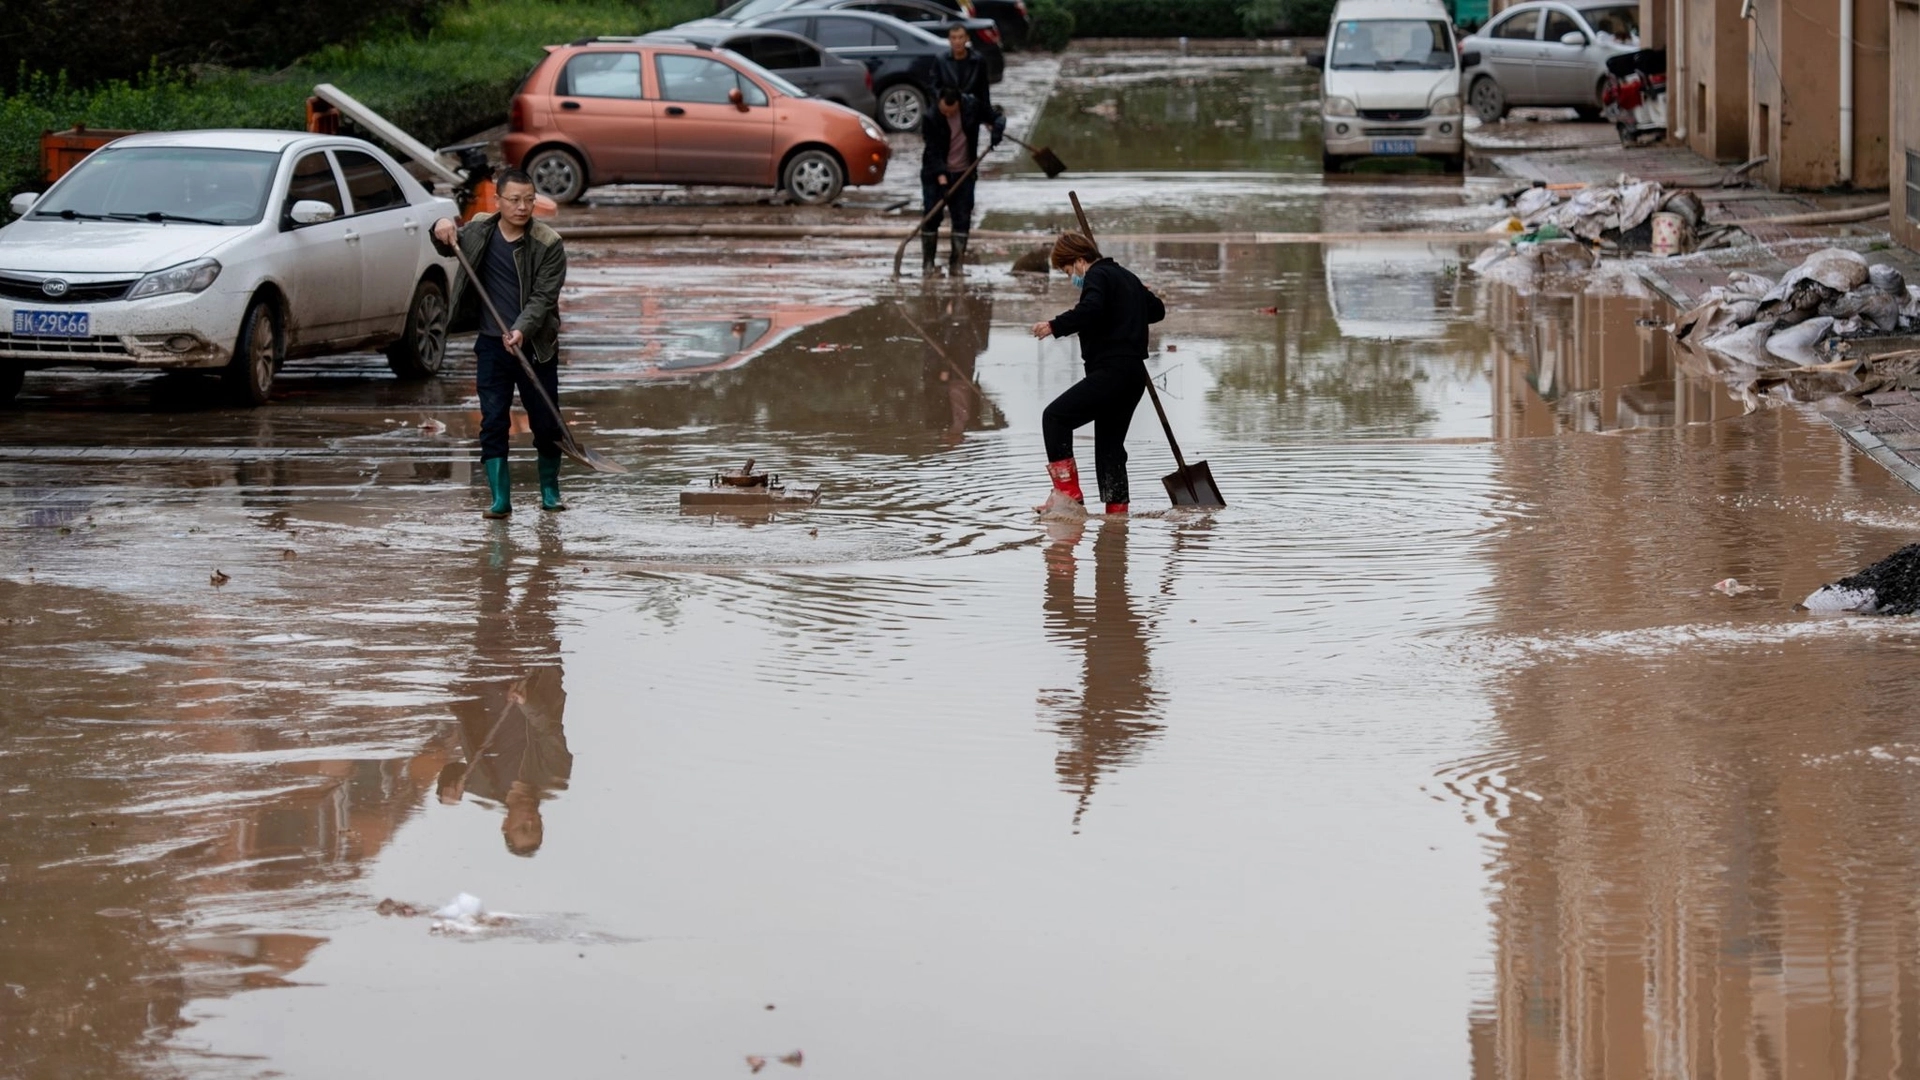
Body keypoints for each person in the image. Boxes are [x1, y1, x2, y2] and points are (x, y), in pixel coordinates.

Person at [430, 169, 569, 518]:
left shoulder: (548, 243)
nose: (522, 207)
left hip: (535, 347)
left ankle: (549, 491)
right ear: (498, 200)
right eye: (514, 200)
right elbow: (446, 242)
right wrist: (440, 225)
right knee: (493, 421)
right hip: (493, 346)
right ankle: (500, 499)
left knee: (545, 422)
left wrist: (521, 329)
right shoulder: (479, 230)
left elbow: (543, 298)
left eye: (529, 200)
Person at [1029, 232, 1166, 516]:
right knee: (1110, 448)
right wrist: (1136, 292)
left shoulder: (1097, 276)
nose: (1072, 277)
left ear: (1080, 261)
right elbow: (1156, 310)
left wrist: (1054, 325)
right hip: (1133, 377)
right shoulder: (1126, 277)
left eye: (1069, 270)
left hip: (1111, 372)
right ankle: (1117, 514)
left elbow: (1090, 310)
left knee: (1055, 418)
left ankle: (1068, 496)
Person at [919, 87, 1004, 274]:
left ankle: (956, 265)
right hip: (935, 175)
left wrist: (997, 128)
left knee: (962, 217)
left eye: (952, 112)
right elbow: (932, 151)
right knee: (931, 216)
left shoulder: (972, 107)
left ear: (959, 104)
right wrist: (942, 181)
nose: (948, 115)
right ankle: (928, 265)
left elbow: (995, 117)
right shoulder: (931, 117)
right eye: (945, 112)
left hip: (965, 173)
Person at [932, 24, 994, 119]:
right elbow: (934, 85)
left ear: (967, 38)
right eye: (954, 38)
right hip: (949, 107)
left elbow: (983, 89)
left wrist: (988, 115)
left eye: (961, 37)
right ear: (949, 40)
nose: (957, 41)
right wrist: (943, 101)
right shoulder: (941, 60)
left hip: (971, 108)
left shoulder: (978, 60)